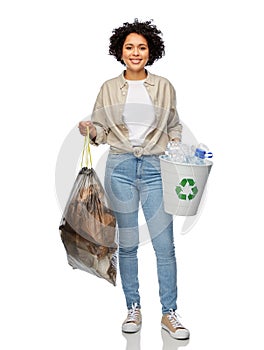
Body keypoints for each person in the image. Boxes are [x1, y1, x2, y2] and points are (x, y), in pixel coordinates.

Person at [79, 19, 190, 340]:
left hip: (157, 169)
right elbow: (100, 129)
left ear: (150, 50)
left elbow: (175, 125)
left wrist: (174, 143)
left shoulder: (165, 86)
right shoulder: (109, 88)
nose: (136, 53)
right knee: (127, 246)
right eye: (130, 47)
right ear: (120, 52)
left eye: (142, 47)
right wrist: (90, 130)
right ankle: (133, 307)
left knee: (164, 246)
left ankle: (169, 313)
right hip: (120, 168)